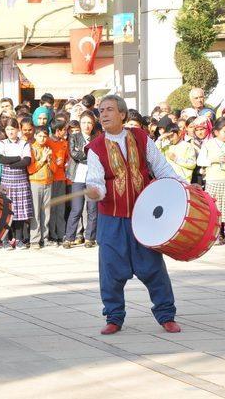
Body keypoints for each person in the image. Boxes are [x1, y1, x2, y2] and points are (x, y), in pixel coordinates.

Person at [85, 94, 182, 335]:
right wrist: (96, 191)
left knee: (152, 266)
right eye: (101, 110)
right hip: (111, 218)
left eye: (109, 109)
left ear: (122, 114)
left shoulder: (140, 137)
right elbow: (96, 179)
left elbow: (161, 168)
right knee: (110, 268)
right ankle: (114, 317)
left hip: (143, 215)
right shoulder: (95, 147)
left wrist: (183, 187)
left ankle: (166, 314)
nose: (104, 114)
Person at [63, 111, 98, 249]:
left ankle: (90, 237)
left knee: (92, 209)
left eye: (89, 122)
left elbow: (98, 156)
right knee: (76, 208)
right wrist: (89, 155)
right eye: (84, 122)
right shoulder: (74, 136)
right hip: (78, 176)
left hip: (93, 177)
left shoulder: (97, 138)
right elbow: (74, 154)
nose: (86, 125)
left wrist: (84, 153)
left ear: (93, 124)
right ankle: (69, 237)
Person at [0, 118, 33, 250]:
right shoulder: (2, 143)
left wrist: (10, 163)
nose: (10, 132)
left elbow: (27, 161)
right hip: (7, 181)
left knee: (20, 212)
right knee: (7, 211)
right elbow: (1, 159)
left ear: (17, 129)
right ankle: (5, 240)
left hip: (21, 181)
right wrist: (18, 158)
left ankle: (18, 240)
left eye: (12, 129)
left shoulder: (24, 143)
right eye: (7, 129)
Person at [26, 123, 54, 250]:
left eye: (45, 136)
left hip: (48, 182)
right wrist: (42, 159)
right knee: (36, 212)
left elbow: (54, 169)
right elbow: (30, 169)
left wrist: (49, 160)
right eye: (40, 136)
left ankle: (45, 237)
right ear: (35, 136)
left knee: (46, 212)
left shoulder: (48, 149)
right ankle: (35, 239)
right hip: (35, 183)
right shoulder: (31, 149)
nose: (42, 138)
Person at [47, 120, 69, 245]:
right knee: (52, 208)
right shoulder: (48, 142)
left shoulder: (65, 143)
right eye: (63, 130)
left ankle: (61, 234)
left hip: (62, 178)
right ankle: (52, 234)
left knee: (60, 208)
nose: (65, 132)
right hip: (50, 179)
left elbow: (67, 159)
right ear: (57, 130)